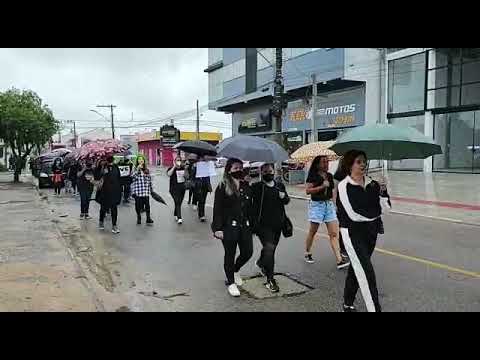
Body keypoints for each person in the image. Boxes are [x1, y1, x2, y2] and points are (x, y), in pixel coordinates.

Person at [336, 150, 390, 312]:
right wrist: (375, 214)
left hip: (370, 234)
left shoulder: (373, 184)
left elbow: (386, 208)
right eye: (358, 161)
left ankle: (347, 303)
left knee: (356, 269)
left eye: (364, 161)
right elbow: (353, 214)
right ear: (350, 164)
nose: (363, 164)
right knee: (367, 273)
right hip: (352, 234)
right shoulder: (343, 186)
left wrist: (382, 192)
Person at [211, 158, 253, 297]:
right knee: (230, 254)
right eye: (235, 168)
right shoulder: (223, 186)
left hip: (244, 225)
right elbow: (217, 209)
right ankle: (230, 282)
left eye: (240, 168)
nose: (239, 170)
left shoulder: (246, 185)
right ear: (229, 170)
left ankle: (235, 270)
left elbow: (250, 206)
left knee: (248, 252)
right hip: (228, 226)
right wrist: (217, 228)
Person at [304, 155, 350, 270]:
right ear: (317, 164)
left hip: (328, 205)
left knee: (334, 234)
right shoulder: (313, 176)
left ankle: (339, 259)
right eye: (323, 162)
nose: (326, 164)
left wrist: (334, 203)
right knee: (313, 231)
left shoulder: (329, 176)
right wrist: (321, 187)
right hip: (316, 206)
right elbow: (308, 191)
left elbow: (333, 190)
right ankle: (307, 251)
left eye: (327, 161)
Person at [251, 163, 290, 293]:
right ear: (261, 173)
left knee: (270, 249)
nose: (269, 173)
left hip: (278, 224)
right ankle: (270, 279)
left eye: (270, 171)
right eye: (265, 171)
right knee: (270, 248)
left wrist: (284, 197)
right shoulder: (257, 187)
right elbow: (249, 204)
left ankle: (262, 263)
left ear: (274, 172)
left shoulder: (279, 186)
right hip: (263, 226)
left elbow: (287, 200)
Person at [94, 156, 122, 234]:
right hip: (105, 191)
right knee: (103, 208)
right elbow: (98, 178)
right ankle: (101, 222)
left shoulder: (116, 167)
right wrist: (103, 170)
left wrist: (120, 189)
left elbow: (118, 178)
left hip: (114, 191)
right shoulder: (103, 167)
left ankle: (114, 225)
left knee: (114, 209)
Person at [333, 157, 349, 260]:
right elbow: (334, 191)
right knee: (343, 227)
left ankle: (348, 247)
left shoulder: (351, 173)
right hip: (341, 204)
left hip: (350, 204)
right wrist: (334, 205)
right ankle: (342, 249)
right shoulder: (338, 175)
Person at [131, 155, 154, 225]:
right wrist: (138, 169)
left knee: (147, 205)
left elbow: (149, 179)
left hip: (145, 190)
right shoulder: (135, 168)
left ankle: (148, 218)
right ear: (137, 161)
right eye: (139, 159)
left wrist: (151, 188)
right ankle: (139, 217)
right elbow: (132, 177)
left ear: (144, 161)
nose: (141, 160)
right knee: (138, 205)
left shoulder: (146, 169)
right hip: (138, 190)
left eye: (142, 159)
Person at [167, 156, 186, 225]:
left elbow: (187, 176)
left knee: (179, 203)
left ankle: (175, 213)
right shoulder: (171, 168)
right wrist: (174, 167)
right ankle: (179, 218)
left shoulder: (183, 168)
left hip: (182, 188)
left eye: (180, 160)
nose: (179, 161)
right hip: (173, 189)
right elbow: (168, 174)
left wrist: (186, 169)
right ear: (174, 161)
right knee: (177, 202)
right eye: (177, 160)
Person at [194, 156, 212, 222]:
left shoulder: (207, 166)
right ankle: (202, 215)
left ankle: (201, 212)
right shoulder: (196, 166)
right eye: (202, 159)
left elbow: (208, 177)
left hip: (205, 185)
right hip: (199, 185)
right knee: (201, 200)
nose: (204, 160)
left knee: (203, 200)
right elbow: (193, 176)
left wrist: (209, 186)